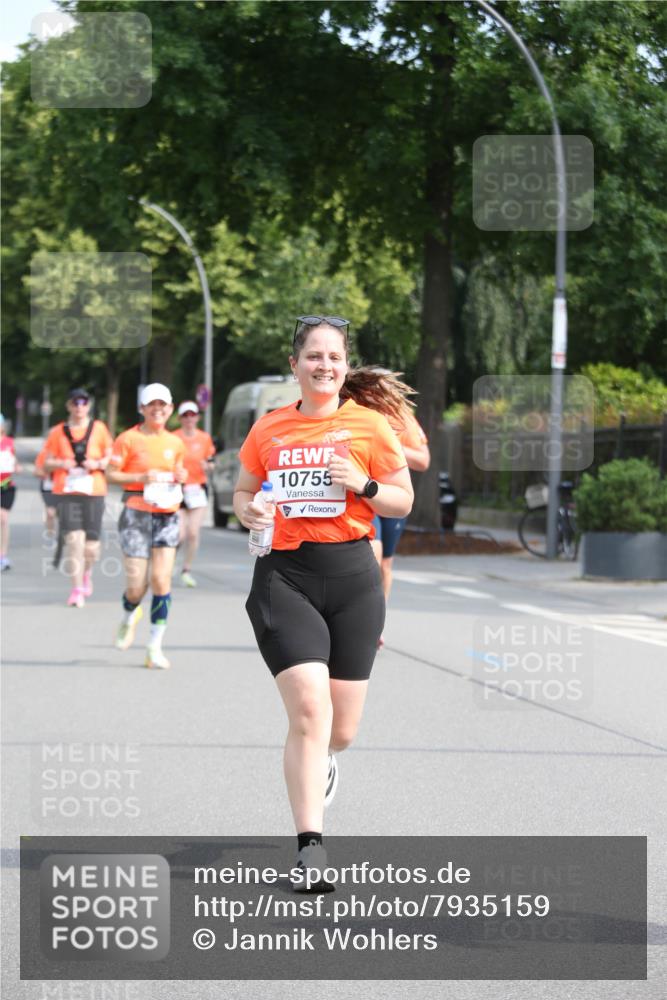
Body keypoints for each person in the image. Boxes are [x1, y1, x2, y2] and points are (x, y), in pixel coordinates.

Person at [233, 315, 414, 890]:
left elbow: (402, 500)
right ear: (295, 365)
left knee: (341, 730)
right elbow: (243, 491)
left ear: (345, 365)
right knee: (310, 713)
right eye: (314, 355)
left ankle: (324, 759)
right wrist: (249, 510)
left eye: (334, 356)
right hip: (285, 577)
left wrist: (362, 484)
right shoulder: (269, 428)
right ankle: (310, 847)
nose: (324, 365)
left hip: (353, 580)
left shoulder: (369, 426)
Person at [107, 383, 187, 670]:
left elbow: (179, 472)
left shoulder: (176, 443)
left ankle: (154, 647)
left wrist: (181, 475)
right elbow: (110, 474)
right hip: (136, 513)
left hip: (167, 514)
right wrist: (141, 477)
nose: (157, 409)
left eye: (162, 405)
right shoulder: (128, 438)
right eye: (152, 404)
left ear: (170, 409)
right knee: (135, 586)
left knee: (161, 581)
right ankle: (130, 614)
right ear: (142, 408)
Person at [42, 390, 112, 606]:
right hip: (67, 492)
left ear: (88, 406)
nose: (79, 406)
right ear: (69, 406)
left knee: (91, 548)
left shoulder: (99, 429)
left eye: (83, 402)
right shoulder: (57, 432)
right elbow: (45, 463)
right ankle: (76, 590)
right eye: (75, 403)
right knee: (74, 541)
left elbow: (110, 457)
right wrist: (61, 463)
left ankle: (86, 573)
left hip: (93, 491)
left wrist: (97, 464)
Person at [369, 381, 430, 624]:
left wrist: (392, 444)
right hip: (366, 497)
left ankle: (378, 621)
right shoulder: (358, 415)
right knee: (373, 555)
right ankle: (366, 618)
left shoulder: (403, 419)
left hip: (394, 496)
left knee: (385, 565)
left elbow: (423, 461)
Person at [174, 401, 215, 587]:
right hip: (177, 489)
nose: (189, 419)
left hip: (198, 489)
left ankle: (186, 570)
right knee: (179, 534)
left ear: (197, 417)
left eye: (192, 415)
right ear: (180, 418)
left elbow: (211, 462)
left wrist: (208, 466)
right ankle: (168, 562)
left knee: (192, 532)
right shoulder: (174, 438)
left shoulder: (204, 438)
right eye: (185, 415)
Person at [1, 414, 22, 571]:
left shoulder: (9, 442)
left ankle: (2, 555)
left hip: (6, 486)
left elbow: (14, 461)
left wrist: (17, 467)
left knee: (3, 518)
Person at [34, 444, 59, 538]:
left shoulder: (67, 453)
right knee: (50, 512)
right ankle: (51, 533)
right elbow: (36, 471)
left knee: (63, 512)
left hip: (65, 487)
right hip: (48, 486)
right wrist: (47, 471)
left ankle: (63, 534)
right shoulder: (44, 453)